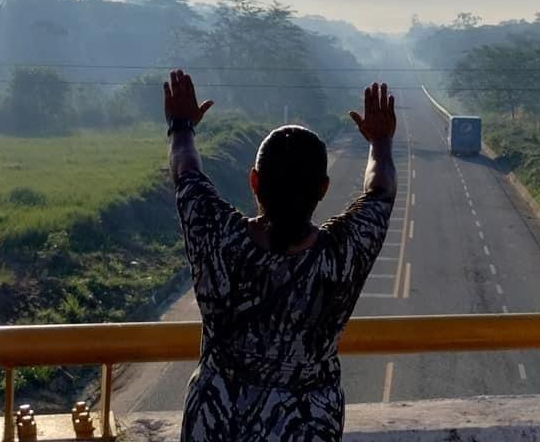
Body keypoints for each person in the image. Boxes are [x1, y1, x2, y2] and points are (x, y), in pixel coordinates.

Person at [164, 70, 397, 441]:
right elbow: (380, 191)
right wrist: (380, 142)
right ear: (323, 189)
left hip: (215, 421)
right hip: (309, 424)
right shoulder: (343, 252)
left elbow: (185, 170)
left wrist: (180, 124)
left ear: (254, 181)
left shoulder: (217, 235)